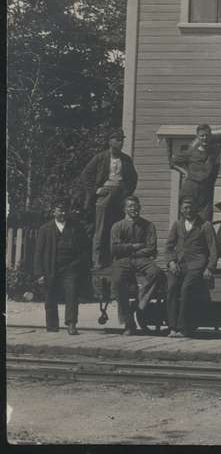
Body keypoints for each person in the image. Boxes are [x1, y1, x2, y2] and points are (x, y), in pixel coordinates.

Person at [81, 128, 138, 269]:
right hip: (105, 194)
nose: (120, 142)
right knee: (101, 228)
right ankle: (97, 260)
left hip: (120, 195)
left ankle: (116, 259)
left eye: (122, 140)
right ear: (110, 141)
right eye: (117, 139)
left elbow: (133, 178)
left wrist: (127, 193)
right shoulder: (101, 157)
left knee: (118, 227)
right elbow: (85, 175)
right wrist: (96, 190)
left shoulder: (126, 159)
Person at [110, 196, 166, 335]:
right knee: (117, 281)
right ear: (124, 209)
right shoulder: (118, 226)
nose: (133, 209)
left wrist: (131, 250)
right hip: (123, 260)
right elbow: (115, 249)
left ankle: (140, 301)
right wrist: (134, 246)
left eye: (135, 206)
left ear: (140, 207)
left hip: (141, 259)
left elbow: (151, 248)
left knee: (156, 272)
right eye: (130, 206)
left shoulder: (148, 225)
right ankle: (128, 323)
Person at [33, 199, 90, 335]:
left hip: (70, 267)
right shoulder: (45, 229)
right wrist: (39, 274)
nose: (63, 213)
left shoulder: (76, 228)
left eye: (65, 210)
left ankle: (71, 324)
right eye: (60, 210)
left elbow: (85, 249)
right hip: (50, 267)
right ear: (54, 212)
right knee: (50, 296)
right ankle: (52, 327)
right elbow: (38, 253)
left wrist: (78, 264)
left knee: (72, 294)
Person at [165, 196, 218, 337]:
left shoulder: (205, 225)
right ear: (181, 210)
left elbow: (213, 250)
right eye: (185, 208)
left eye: (191, 207)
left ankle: (183, 328)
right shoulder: (177, 225)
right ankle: (172, 327)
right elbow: (169, 247)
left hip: (196, 265)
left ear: (196, 209)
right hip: (179, 265)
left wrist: (210, 268)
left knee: (186, 289)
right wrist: (171, 262)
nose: (188, 211)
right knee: (171, 288)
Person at [169, 124, 221, 222]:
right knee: (188, 219)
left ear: (210, 136)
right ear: (198, 137)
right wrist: (185, 172)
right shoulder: (191, 152)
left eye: (207, 135)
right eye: (202, 136)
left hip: (206, 191)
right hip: (191, 189)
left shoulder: (215, 151)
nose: (204, 138)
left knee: (206, 221)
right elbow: (173, 162)